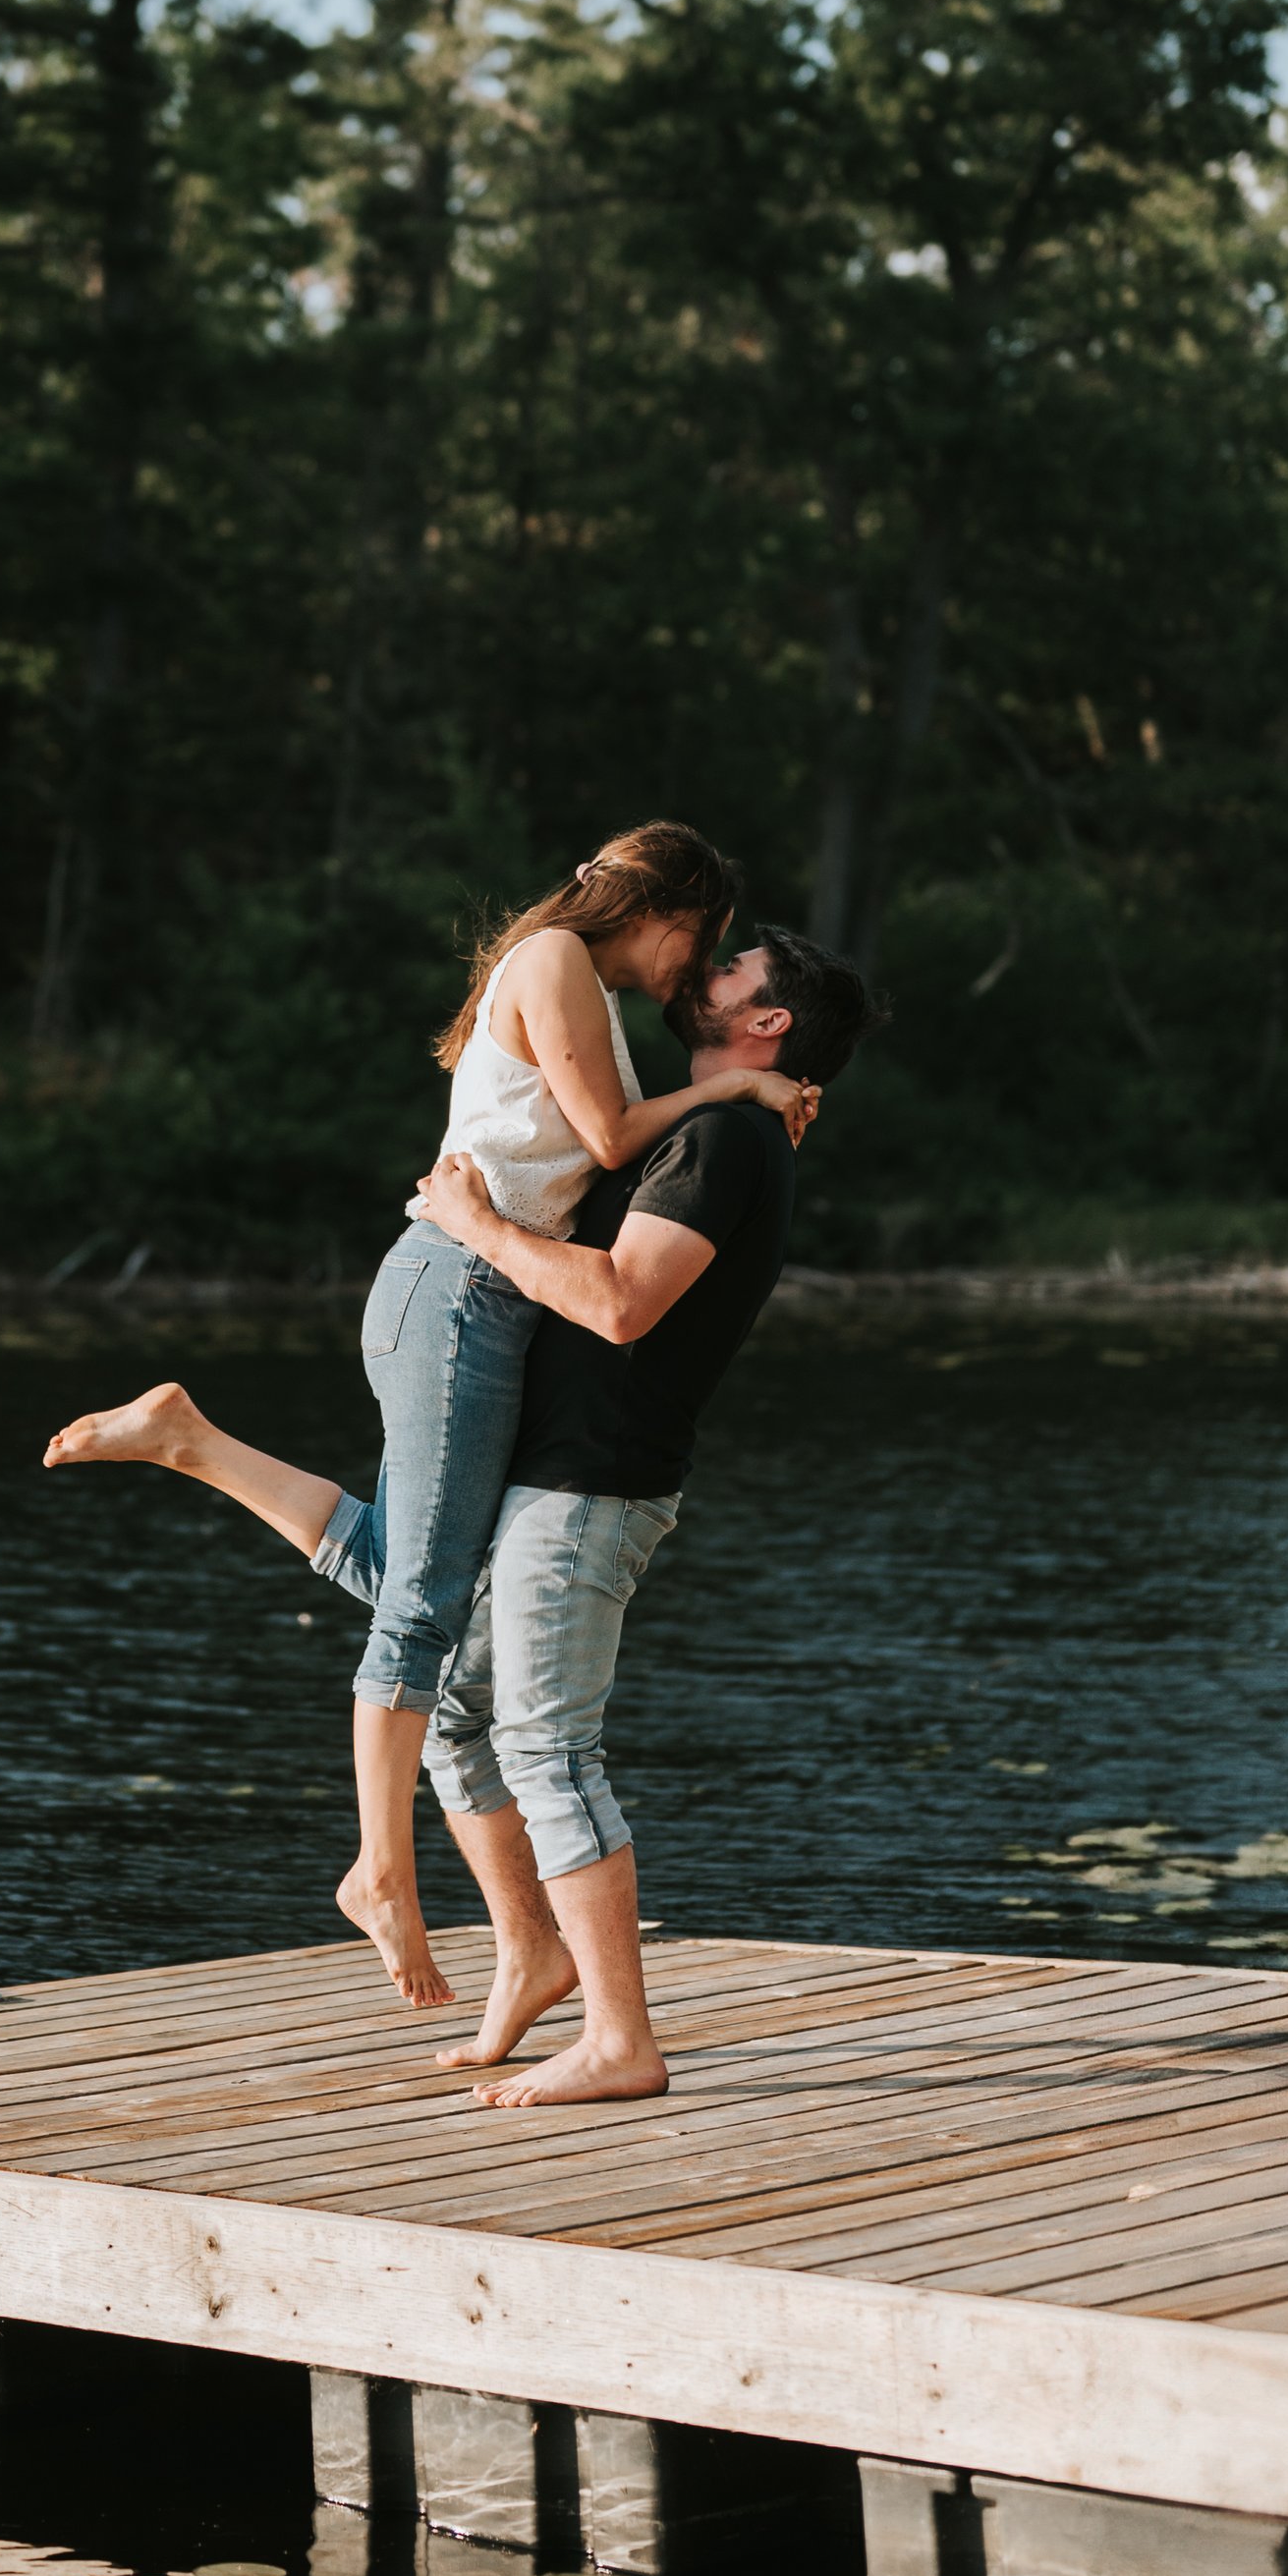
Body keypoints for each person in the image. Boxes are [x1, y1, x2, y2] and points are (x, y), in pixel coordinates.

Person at [45, 922, 883, 2100]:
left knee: (544, 1743)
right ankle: (533, 1951)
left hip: (593, 1483)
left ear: (769, 1018)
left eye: (733, 965)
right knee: (443, 1693)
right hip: (554, 1465)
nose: (707, 966)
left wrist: (473, 1224)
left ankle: (618, 2037)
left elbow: (622, 1302)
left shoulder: (730, 1138)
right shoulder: (710, 1119)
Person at [314, 823, 810, 2008]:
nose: (700, 964)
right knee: (425, 1596)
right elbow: (599, 1143)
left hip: (490, 1291)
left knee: (424, 1576)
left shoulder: (574, 978)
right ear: (667, 908)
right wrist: (735, 1082)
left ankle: (191, 1440)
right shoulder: (551, 963)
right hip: (455, 1281)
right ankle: (381, 1870)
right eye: (706, 938)